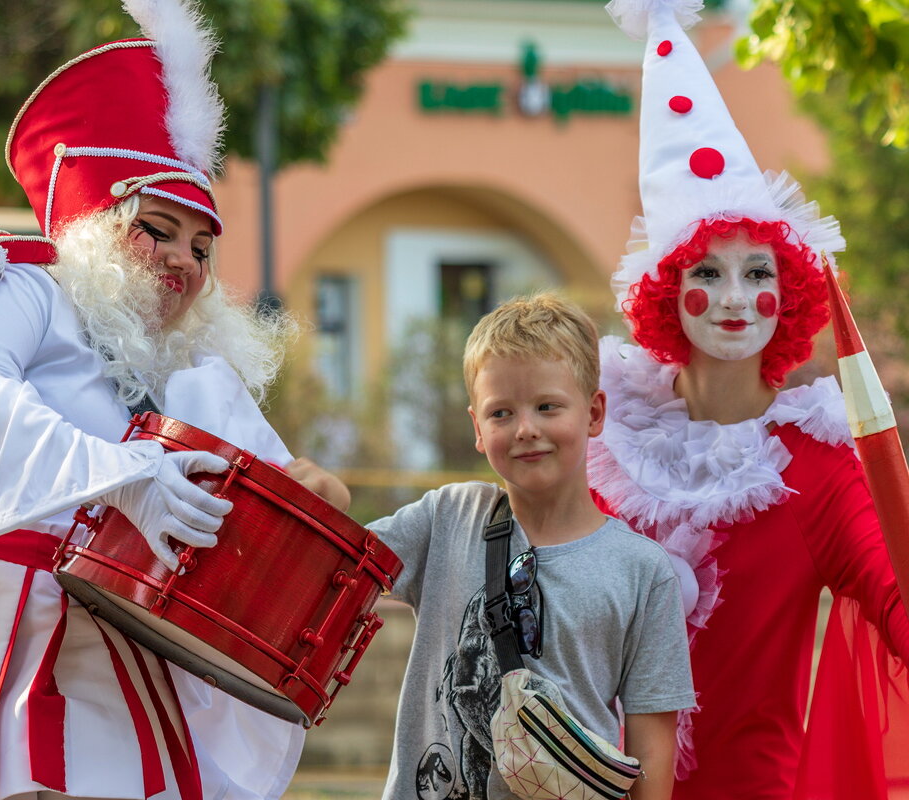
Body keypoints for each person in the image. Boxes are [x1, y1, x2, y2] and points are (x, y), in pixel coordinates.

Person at [0, 1, 348, 798]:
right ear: (94, 226)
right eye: (158, 229)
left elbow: (283, 488)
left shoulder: (189, 369)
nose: (184, 259)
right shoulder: (15, 288)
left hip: (106, 648)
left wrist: (315, 492)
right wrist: (121, 473)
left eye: (202, 244)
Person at [593, 1, 909, 796]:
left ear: (790, 293)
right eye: (708, 272)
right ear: (668, 290)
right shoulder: (600, 446)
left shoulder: (819, 466)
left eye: (759, 273)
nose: (734, 297)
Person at [370, 293, 695, 800]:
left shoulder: (643, 571)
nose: (526, 429)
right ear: (478, 428)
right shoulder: (446, 518)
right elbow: (332, 566)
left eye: (547, 406)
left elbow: (653, 748)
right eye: (501, 413)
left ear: (593, 413)